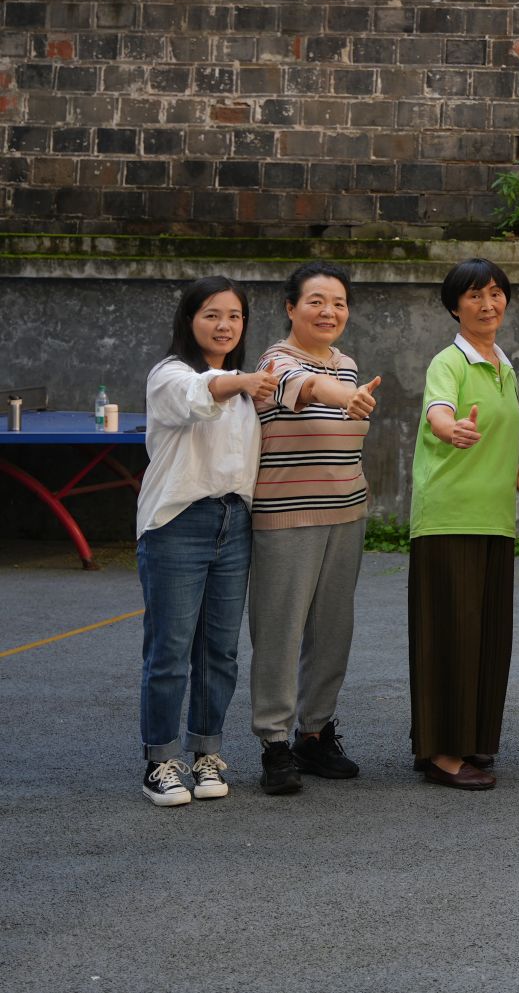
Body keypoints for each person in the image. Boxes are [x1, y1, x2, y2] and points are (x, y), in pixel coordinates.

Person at [408, 259, 519, 791]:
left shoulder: (502, 365)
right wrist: (449, 430)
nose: (487, 304)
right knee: (449, 635)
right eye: (474, 295)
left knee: (486, 636)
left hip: (493, 518)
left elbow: (490, 436)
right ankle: (441, 753)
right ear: (455, 307)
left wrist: (515, 474)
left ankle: (468, 739)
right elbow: (439, 412)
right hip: (448, 517)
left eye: (495, 293)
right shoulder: (448, 361)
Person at [136, 277, 275, 806]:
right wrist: (243, 380)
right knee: (169, 651)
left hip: (234, 521)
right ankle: (160, 761)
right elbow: (202, 394)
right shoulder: (170, 374)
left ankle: (206, 752)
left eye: (235, 316)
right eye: (212, 314)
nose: (224, 325)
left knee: (220, 650)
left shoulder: (245, 389)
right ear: (189, 320)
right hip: (177, 523)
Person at [248, 262, 379, 797]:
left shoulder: (347, 364)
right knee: (279, 632)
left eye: (339, 303)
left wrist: (348, 392)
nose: (329, 312)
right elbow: (303, 388)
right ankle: (274, 743)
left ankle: (315, 732)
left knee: (332, 632)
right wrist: (343, 396)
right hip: (287, 516)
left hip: (346, 514)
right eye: (317, 301)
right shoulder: (274, 361)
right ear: (291, 307)